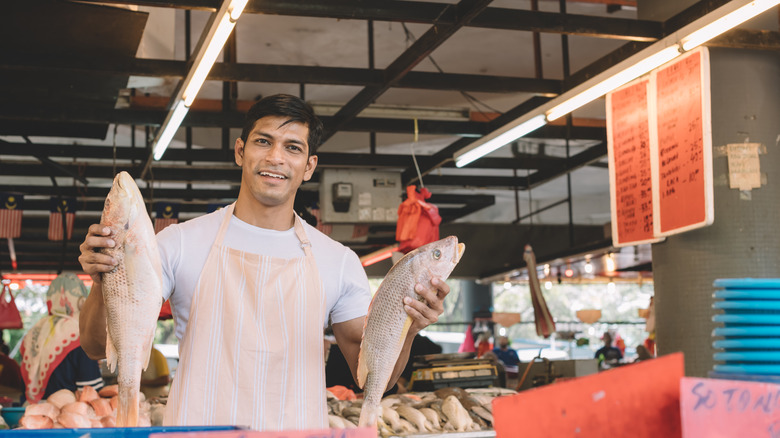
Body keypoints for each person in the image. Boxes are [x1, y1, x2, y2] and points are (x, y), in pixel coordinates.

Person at [78, 94, 450, 430]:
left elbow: (369, 378)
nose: (275, 157)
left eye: (293, 147)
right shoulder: (178, 243)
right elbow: (96, 347)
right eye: (263, 141)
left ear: (309, 165)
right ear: (240, 151)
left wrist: (409, 328)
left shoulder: (338, 261)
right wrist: (103, 279)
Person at [20, 273, 104, 403]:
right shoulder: (80, 334)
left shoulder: (33, 332)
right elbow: (90, 391)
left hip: (30, 410)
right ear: (82, 301)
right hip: (67, 412)